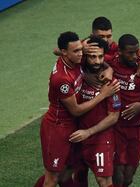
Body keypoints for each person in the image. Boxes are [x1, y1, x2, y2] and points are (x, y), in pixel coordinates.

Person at [34, 31, 120, 187]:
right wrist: (103, 95)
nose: (81, 54)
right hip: (57, 128)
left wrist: (109, 70)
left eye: (81, 50)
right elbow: (76, 111)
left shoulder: (77, 61)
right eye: (77, 51)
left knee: (69, 173)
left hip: (77, 129)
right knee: (53, 177)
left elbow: (99, 59)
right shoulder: (62, 79)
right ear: (65, 53)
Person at [108, 34, 140, 187]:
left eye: (137, 52)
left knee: (128, 178)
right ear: (120, 52)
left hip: (137, 128)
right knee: (117, 173)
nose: (134, 56)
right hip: (116, 126)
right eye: (130, 53)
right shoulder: (111, 63)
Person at [68, 36, 121, 187]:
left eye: (100, 57)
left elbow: (113, 116)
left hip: (100, 138)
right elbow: (60, 51)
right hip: (77, 135)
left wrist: (89, 132)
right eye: (92, 56)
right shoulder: (79, 74)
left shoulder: (111, 83)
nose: (97, 61)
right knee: (70, 175)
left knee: (103, 181)